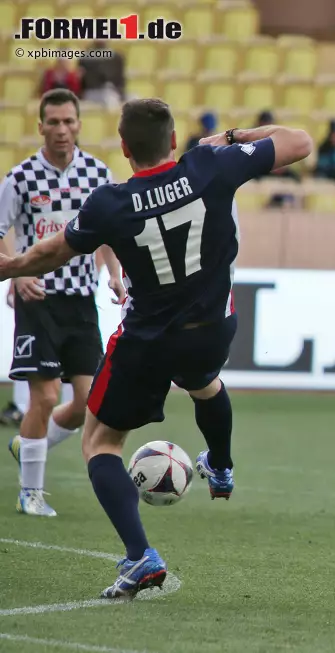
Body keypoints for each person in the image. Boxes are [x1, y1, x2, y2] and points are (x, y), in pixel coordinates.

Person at [0, 97, 313, 598]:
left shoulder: (110, 202)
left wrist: (8, 268)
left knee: (100, 442)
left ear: (124, 148)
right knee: (205, 382)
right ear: (173, 140)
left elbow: (50, 253)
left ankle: (139, 556)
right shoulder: (209, 166)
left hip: (148, 340)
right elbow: (300, 142)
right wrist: (231, 137)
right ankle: (223, 466)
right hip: (214, 328)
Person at [0, 89, 124, 517]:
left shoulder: (98, 174)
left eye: (68, 121)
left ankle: (29, 444)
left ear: (79, 125)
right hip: (38, 300)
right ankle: (30, 492)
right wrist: (19, 273)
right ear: (40, 127)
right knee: (46, 397)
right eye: (53, 122)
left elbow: (107, 233)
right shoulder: (20, 178)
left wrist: (113, 271)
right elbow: (0, 233)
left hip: (80, 302)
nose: (61, 129)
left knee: (89, 402)